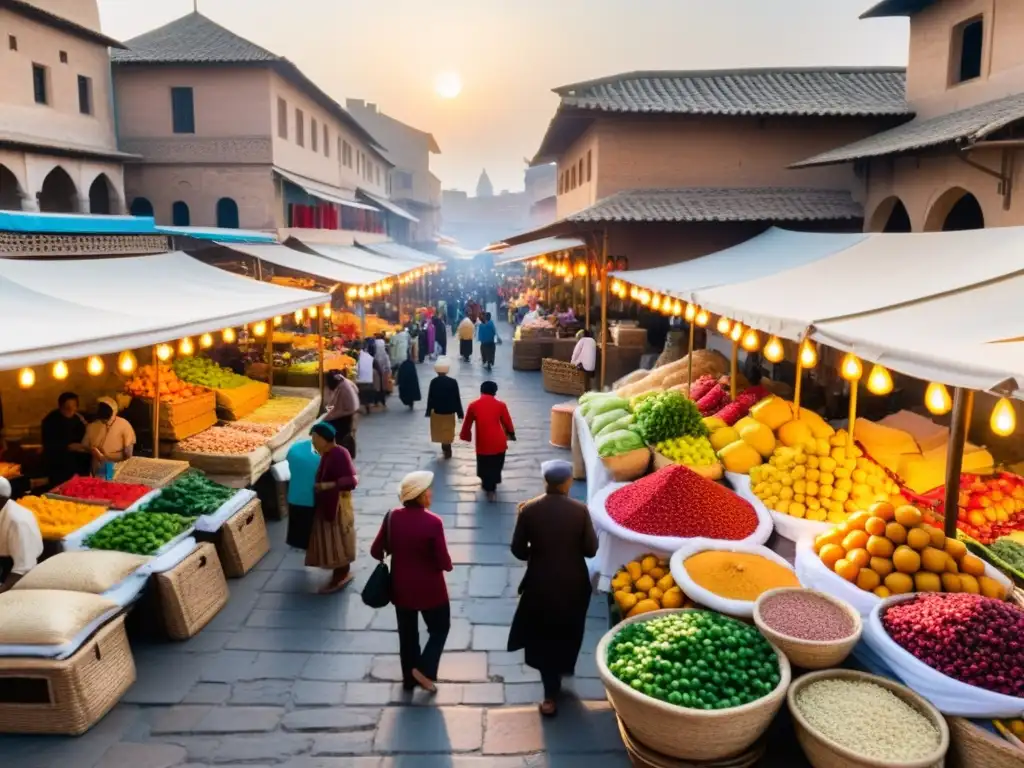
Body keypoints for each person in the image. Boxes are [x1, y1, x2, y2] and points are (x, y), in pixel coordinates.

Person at [508, 460, 598, 716]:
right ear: (568, 483)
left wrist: (537, 555)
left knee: (544, 635)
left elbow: (517, 550)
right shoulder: (580, 511)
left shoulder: (529, 510)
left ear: (546, 483)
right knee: (570, 628)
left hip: (540, 583)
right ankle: (564, 667)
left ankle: (550, 691)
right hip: (574, 584)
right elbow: (590, 550)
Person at [370, 471, 452, 693]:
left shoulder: (391, 517)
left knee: (407, 635)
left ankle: (409, 678)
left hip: (401, 588)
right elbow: (443, 561)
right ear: (421, 495)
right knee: (440, 628)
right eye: (428, 491)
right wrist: (448, 565)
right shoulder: (434, 522)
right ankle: (424, 670)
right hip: (431, 590)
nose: (431, 493)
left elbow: (375, 550)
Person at [307, 422, 358, 594]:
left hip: (338, 504)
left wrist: (327, 486)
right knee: (331, 539)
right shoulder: (327, 454)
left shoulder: (340, 453)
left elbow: (351, 481)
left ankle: (342, 572)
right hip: (327, 503)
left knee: (339, 538)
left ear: (324, 439)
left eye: (315, 439)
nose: (313, 442)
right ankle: (338, 570)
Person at [460, 381, 515, 502]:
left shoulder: (473, 405)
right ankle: (492, 488)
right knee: (496, 465)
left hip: (483, 442)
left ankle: (487, 485)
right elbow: (507, 422)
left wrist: (465, 435)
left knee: (484, 465)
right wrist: (511, 433)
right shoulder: (501, 405)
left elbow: (467, 423)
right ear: (495, 392)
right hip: (499, 442)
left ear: (481, 391)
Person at [0, 477, 44, 593]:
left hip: (13, 572)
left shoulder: (18, 522)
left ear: (1, 500)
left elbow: (23, 569)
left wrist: (3, 591)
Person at [41, 392, 89, 486]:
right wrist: (67, 446)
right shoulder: (50, 420)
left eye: (74, 406)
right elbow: (48, 444)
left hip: (77, 462)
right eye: (67, 407)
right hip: (57, 464)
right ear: (61, 406)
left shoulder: (79, 419)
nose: (71, 409)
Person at [83, 397, 135, 475]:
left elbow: (128, 453)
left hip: (116, 467)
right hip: (98, 466)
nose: (104, 421)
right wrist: (95, 452)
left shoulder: (124, 424)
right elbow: (84, 446)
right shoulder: (91, 426)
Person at [424, 358, 463, 459]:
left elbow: (430, 398)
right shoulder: (453, 382)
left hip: (438, 411)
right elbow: (457, 398)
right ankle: (447, 445)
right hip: (449, 411)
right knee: (448, 430)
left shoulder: (434, 382)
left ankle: (444, 445)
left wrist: (428, 411)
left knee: (439, 430)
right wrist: (460, 413)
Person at [284, 437, 319, 550]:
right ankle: (309, 542)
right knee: (309, 520)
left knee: (297, 519)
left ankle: (296, 542)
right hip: (311, 496)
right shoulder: (320, 457)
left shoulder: (294, 449)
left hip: (295, 495)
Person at [323, 371, 360, 457]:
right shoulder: (344, 381)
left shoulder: (342, 388)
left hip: (345, 414)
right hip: (351, 413)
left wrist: (325, 416)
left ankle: (338, 453)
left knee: (336, 432)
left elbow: (334, 405)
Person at [373, 336, 392, 408]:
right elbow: (388, 364)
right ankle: (383, 402)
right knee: (382, 388)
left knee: (377, 388)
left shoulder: (375, 355)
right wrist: (389, 371)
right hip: (384, 373)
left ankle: (376, 402)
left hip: (377, 374)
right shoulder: (385, 355)